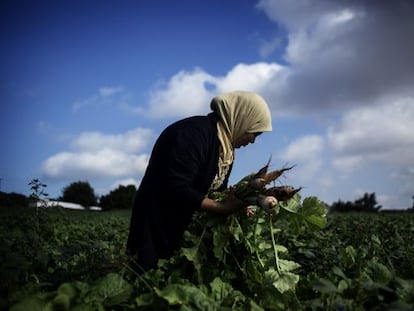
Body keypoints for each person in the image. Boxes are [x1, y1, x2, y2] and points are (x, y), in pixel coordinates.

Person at [126, 90, 272, 271]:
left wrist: (236, 201)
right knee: (146, 280)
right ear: (242, 119)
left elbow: (213, 191)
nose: (252, 141)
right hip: (156, 226)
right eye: (254, 134)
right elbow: (176, 187)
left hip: (181, 230)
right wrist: (222, 207)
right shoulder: (194, 133)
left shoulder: (226, 150)